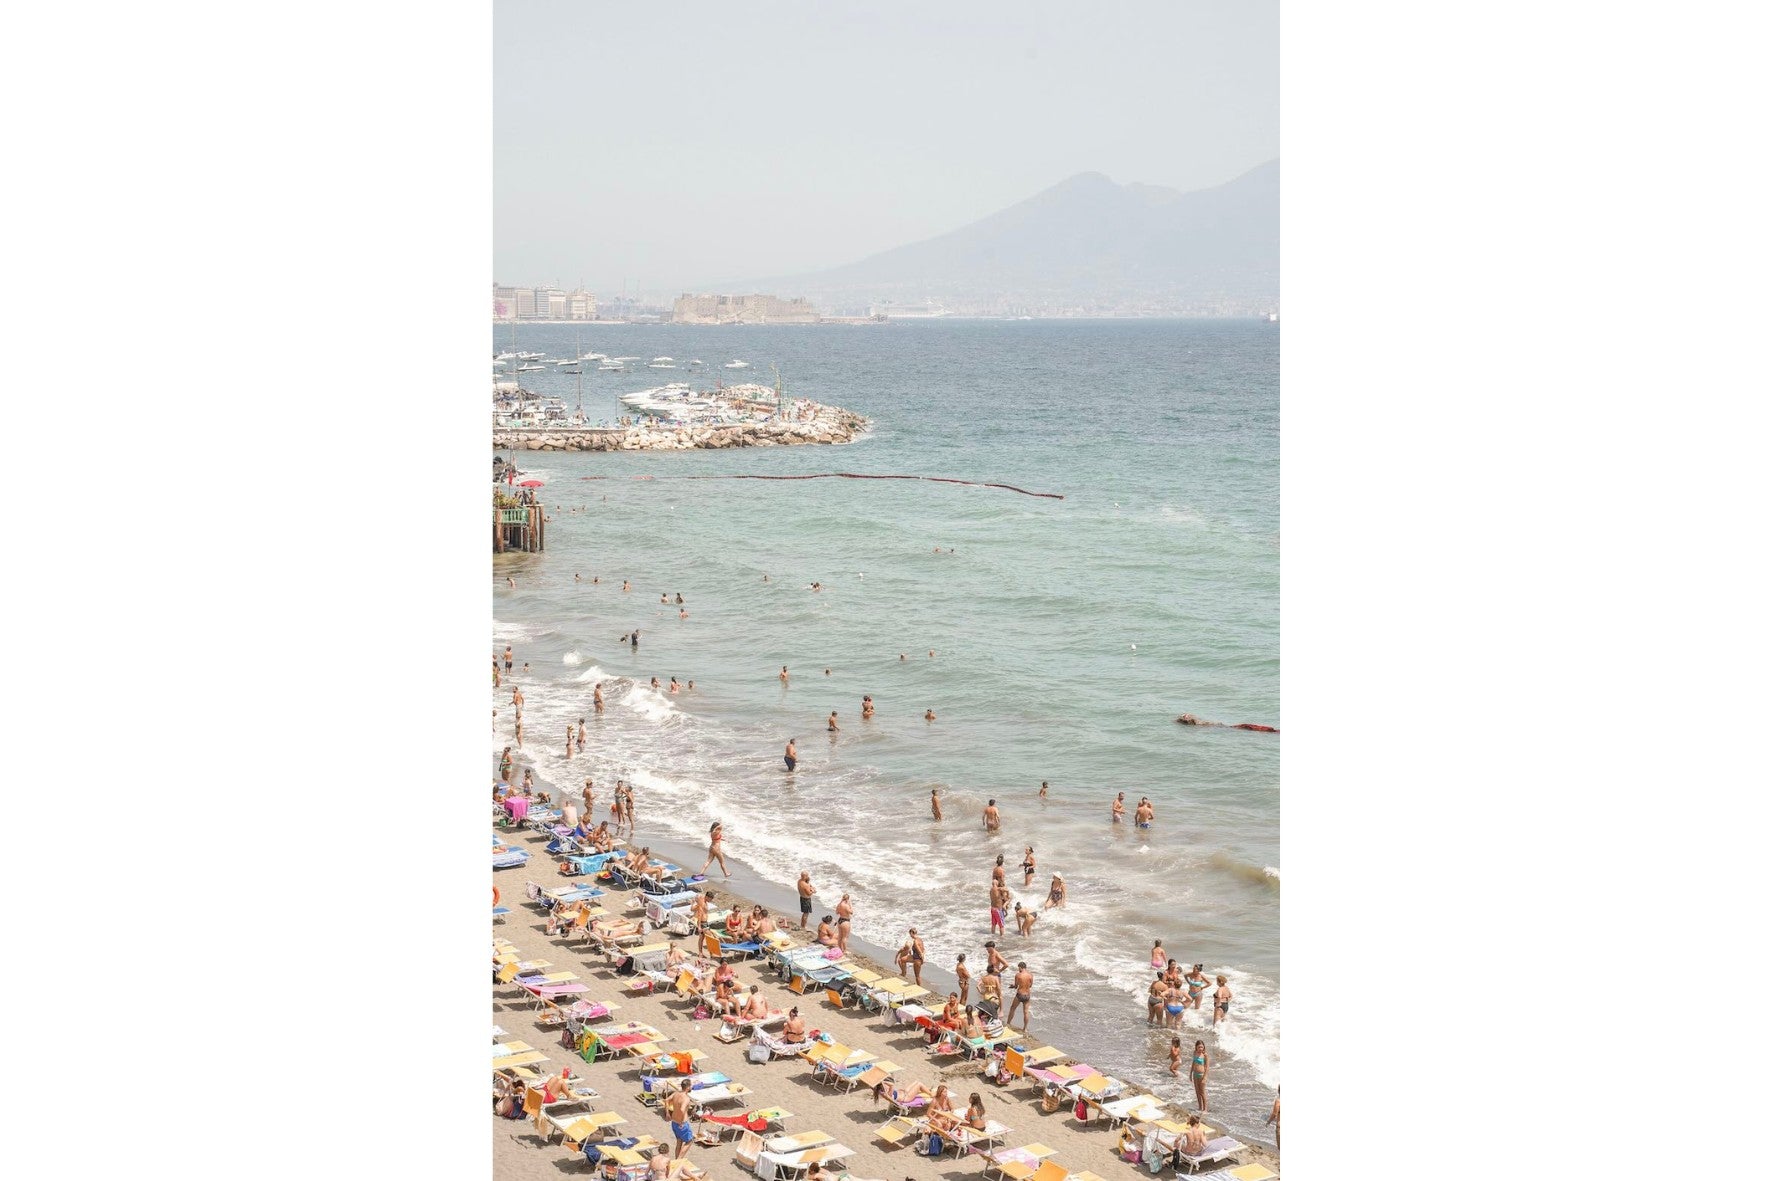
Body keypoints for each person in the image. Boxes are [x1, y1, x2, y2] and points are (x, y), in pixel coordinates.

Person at [664, 1080, 694, 1159]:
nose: (691, 1087)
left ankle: (676, 1159)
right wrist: (681, 1122)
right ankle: (679, 1160)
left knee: (679, 1141)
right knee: (690, 1141)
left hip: (674, 1122)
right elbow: (682, 1109)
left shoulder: (675, 1094)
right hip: (682, 1123)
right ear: (687, 1087)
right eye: (690, 1086)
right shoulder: (686, 1098)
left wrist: (667, 1113)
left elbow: (666, 1100)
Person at [1004, 962, 1033, 1032]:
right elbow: (1030, 985)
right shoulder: (1030, 975)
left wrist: (1012, 986)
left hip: (1020, 994)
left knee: (1012, 1008)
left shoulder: (1018, 975)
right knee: (1026, 1012)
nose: (1018, 969)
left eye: (1018, 968)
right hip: (1027, 995)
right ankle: (1025, 1028)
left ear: (1020, 967)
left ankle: (1008, 1024)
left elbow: (1016, 986)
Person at [1189, 1041, 1210, 1112]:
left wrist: (1205, 1077)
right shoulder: (1195, 1053)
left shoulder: (1205, 1055)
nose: (1200, 1048)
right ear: (1196, 1047)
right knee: (1197, 1092)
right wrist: (1190, 1073)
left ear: (1204, 1047)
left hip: (1201, 1075)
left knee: (1202, 1092)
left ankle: (1205, 1109)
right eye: (1199, 1047)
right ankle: (1200, 1107)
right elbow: (1193, 1063)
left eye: (1202, 1047)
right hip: (1195, 1075)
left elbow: (1207, 1067)